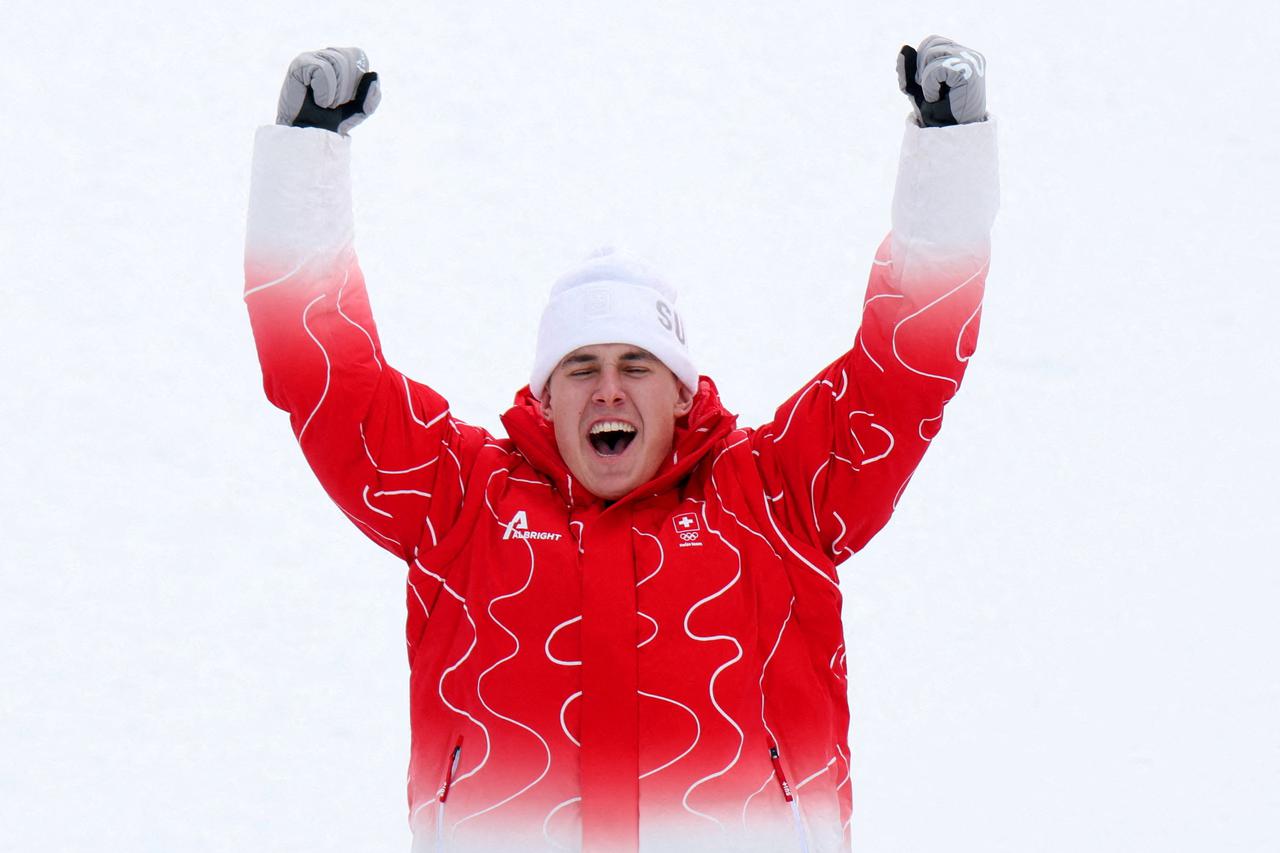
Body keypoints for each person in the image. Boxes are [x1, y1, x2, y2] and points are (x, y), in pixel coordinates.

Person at [244, 36, 997, 853]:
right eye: (582, 367)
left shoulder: (776, 497)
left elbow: (905, 370)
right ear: (543, 397)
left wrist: (947, 154)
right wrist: (307, 158)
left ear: (681, 392)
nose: (609, 389)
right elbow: (326, 380)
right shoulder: (461, 506)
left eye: (637, 363)